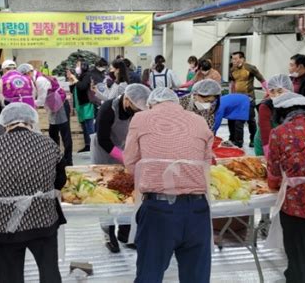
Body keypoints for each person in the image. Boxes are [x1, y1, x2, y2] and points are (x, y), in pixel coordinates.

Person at [124, 87, 213, 283]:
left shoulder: (141, 119)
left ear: (150, 104)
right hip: (198, 210)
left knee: (150, 275)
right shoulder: (199, 120)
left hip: (159, 211)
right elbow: (207, 163)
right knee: (196, 278)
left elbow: (130, 164)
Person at [0, 102, 66, 283]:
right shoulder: (48, 144)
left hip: (5, 225)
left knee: (10, 276)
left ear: (5, 123)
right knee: (49, 272)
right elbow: (60, 181)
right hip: (44, 221)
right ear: (31, 121)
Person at [267, 92, 305, 283]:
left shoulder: (280, 133)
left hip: (299, 207)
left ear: (282, 112)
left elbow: (274, 175)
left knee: (299, 264)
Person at [90, 84, 150, 253]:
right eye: (136, 107)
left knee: (126, 195)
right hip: (104, 153)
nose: (138, 111)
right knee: (107, 196)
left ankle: (125, 233)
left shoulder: (136, 112)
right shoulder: (108, 109)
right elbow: (103, 140)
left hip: (124, 150)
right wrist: (124, 157)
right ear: (127, 99)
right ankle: (109, 234)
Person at [33, 66, 73, 166]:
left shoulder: (40, 80)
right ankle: (56, 158)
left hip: (61, 105)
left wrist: (31, 103)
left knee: (65, 134)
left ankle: (68, 160)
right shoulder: (37, 79)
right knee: (53, 133)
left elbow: (41, 99)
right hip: (54, 106)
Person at [229, 51, 267, 147]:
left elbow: (262, 79)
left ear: (242, 59)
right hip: (237, 99)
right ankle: (238, 142)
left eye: (235, 59)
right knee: (237, 120)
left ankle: (253, 139)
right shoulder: (232, 69)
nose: (233, 61)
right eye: (232, 59)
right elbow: (233, 84)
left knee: (250, 119)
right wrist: (231, 95)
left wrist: (268, 91)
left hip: (249, 97)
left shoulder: (250, 68)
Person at [254, 74, 293, 157]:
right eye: (272, 91)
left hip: (285, 144)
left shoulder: (294, 105)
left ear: (289, 91)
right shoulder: (265, 106)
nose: (276, 95)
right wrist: (268, 153)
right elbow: (265, 132)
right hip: (265, 143)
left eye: (280, 91)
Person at [67, 60, 94, 153]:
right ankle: (87, 145)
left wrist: (75, 79)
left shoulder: (87, 75)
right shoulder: (80, 76)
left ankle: (93, 146)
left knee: (89, 126)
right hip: (80, 104)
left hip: (87, 104)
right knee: (84, 126)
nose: (77, 67)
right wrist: (71, 81)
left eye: (78, 65)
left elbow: (82, 86)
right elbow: (73, 89)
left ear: (84, 66)